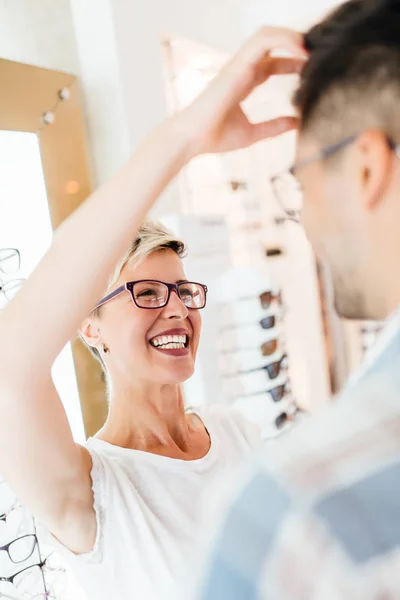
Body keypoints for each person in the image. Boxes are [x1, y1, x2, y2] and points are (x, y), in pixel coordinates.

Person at [0, 29, 306, 600]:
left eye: (182, 291)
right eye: (144, 293)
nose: (175, 310)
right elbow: (8, 365)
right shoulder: (90, 493)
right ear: (88, 325)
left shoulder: (235, 433)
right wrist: (184, 139)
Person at [190, 1, 400, 598]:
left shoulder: (302, 517)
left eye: (300, 181)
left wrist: (184, 138)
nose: (303, 217)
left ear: (365, 170)